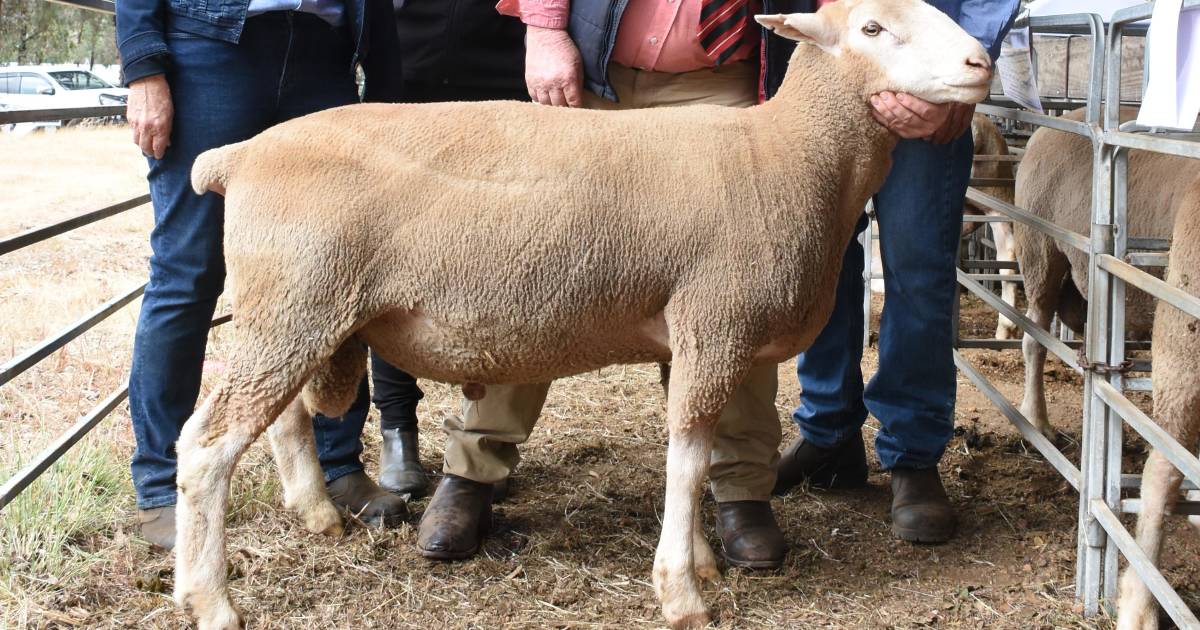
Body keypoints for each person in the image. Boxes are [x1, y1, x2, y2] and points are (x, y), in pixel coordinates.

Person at [416, 0, 813, 570]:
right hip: (595, 77)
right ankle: (474, 468)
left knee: (735, 291)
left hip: (722, 85)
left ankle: (742, 490)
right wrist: (545, 30)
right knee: (539, 266)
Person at [117, 0, 420, 550]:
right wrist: (143, 67)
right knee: (189, 271)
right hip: (208, 50)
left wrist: (386, 89)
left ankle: (338, 464)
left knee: (341, 272)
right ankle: (163, 487)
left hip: (325, 55)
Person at [772, 0, 1020, 544]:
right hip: (829, 63)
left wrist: (964, 66)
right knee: (820, 259)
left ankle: (912, 454)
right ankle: (827, 432)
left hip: (924, 79)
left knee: (919, 267)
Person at [371, 0, 531, 499]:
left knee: (505, 269)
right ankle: (397, 429)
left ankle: (482, 448)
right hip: (405, 80)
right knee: (390, 267)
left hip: (505, 86)